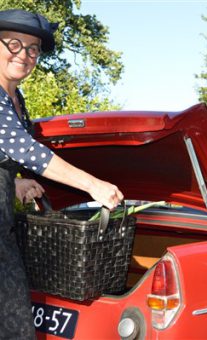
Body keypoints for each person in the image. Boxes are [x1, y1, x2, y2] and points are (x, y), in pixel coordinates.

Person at [0, 9, 124, 339]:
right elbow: (23, 148)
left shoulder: (16, 98)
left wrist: (13, 183)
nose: (23, 55)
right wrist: (92, 185)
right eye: (13, 44)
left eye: (32, 49)